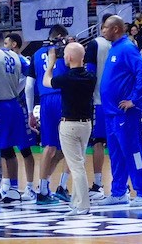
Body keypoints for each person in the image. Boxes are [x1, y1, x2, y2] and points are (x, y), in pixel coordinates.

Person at [97, 15, 142, 206]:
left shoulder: (127, 48)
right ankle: (119, 192)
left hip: (125, 114)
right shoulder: (115, 49)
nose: (102, 30)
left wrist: (134, 99)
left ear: (115, 29)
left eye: (105, 28)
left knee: (132, 152)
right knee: (116, 154)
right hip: (111, 113)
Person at [43, 42, 96, 216]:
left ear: (68, 57)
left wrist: (50, 63)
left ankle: (83, 205)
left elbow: (46, 82)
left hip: (70, 124)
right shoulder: (90, 77)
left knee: (76, 166)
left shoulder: (65, 78)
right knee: (79, 162)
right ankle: (77, 201)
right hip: (86, 124)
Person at [26, 24, 70, 205]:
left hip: (44, 101)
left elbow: (29, 87)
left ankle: (43, 188)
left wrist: (30, 112)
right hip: (63, 97)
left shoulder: (36, 54)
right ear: (60, 36)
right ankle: (61, 187)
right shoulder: (65, 51)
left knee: (51, 147)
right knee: (73, 145)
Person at [0, 31, 32, 201]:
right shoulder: (17, 57)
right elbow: (30, 74)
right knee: (9, 150)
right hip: (14, 104)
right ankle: (11, 187)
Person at [84, 13, 113, 200]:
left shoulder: (96, 44)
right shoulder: (127, 45)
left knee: (98, 142)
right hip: (119, 102)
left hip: (100, 101)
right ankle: (121, 185)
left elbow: (90, 74)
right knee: (118, 143)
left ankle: (98, 184)